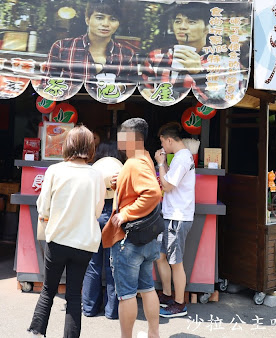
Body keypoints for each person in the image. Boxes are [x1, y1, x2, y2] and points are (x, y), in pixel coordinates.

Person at [28, 126, 105, 337]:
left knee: (48, 290)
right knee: (74, 295)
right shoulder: (96, 175)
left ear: (67, 145)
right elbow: (97, 210)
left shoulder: (55, 170)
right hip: (84, 243)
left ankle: (37, 331)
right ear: (90, 147)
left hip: (58, 239)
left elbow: (43, 206)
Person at [102, 118, 161, 338]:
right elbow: (141, 186)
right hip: (146, 239)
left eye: (122, 135)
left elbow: (152, 193)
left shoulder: (134, 163)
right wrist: (121, 181)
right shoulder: (143, 157)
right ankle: (153, 334)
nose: (119, 139)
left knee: (126, 295)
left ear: (134, 139)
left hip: (129, 240)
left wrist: (126, 213)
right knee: (147, 289)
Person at [41, 0, 137, 99]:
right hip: (67, 107)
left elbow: (132, 88)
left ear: (118, 24)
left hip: (109, 109)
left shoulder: (127, 55)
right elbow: (46, 84)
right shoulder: (61, 47)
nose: (105, 24)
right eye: (99, 17)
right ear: (87, 20)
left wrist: (121, 88)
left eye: (113, 19)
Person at [154, 122, 196, 318]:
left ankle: (180, 304)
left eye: (163, 141)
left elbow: (168, 185)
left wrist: (161, 164)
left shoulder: (181, 158)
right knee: (162, 257)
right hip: (171, 214)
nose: (162, 146)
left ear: (169, 140)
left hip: (177, 217)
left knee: (175, 262)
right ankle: (168, 295)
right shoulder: (180, 157)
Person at [82, 141, 123, 319]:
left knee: (92, 265)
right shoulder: (122, 173)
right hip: (114, 219)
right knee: (113, 266)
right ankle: (112, 311)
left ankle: (89, 308)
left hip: (93, 217)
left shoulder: (91, 172)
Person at [140, 4, 209, 102]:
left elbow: (219, 98)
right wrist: (146, 92)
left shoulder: (218, 61)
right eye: (178, 21)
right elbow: (143, 87)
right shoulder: (157, 56)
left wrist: (199, 73)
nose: (182, 27)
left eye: (191, 22)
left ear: (207, 28)